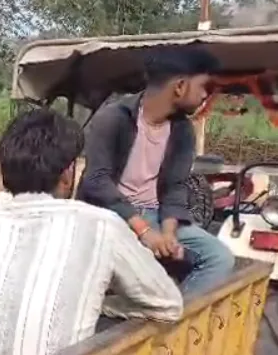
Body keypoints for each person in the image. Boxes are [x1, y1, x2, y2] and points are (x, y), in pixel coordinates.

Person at [0, 108, 183, 355]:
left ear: (3, 171)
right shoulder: (101, 225)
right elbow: (168, 304)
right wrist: (102, 305)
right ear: (67, 174)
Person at [77, 46, 234, 296]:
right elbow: (97, 181)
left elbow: (175, 187)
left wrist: (169, 234)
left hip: (156, 216)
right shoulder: (114, 118)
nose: (206, 95)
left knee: (220, 258)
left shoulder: (182, 131)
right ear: (180, 86)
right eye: (203, 86)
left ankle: (175, 322)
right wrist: (145, 231)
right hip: (112, 215)